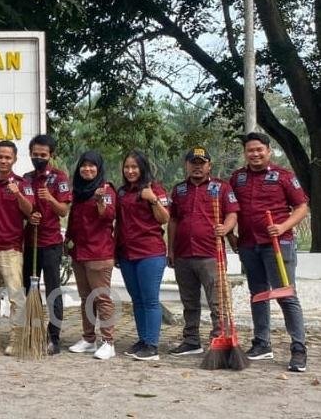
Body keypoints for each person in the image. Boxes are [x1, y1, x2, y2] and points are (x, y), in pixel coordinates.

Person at [230, 132, 308, 372]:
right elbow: (230, 207)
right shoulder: (237, 178)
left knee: (286, 295)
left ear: (268, 151)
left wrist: (283, 226)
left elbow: (302, 207)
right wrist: (231, 235)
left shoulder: (283, 176)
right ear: (245, 154)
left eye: (259, 150)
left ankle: (298, 348)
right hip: (249, 245)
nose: (254, 154)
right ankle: (262, 343)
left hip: (278, 245)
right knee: (258, 294)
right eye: (250, 151)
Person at [167, 146, 237, 357]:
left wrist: (225, 228)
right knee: (189, 302)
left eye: (201, 163)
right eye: (193, 163)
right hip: (183, 254)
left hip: (211, 254)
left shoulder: (222, 188)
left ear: (209, 165)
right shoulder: (178, 190)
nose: (197, 167)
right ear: (187, 165)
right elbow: (173, 220)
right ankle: (191, 341)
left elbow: (232, 213)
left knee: (217, 302)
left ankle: (219, 340)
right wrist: (170, 250)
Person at [115, 150, 170, 361]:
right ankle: (142, 339)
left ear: (142, 168)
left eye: (134, 167)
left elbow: (164, 218)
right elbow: (119, 224)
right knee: (137, 300)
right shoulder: (121, 192)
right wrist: (116, 253)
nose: (130, 171)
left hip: (150, 253)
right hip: (127, 254)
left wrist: (153, 200)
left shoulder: (154, 189)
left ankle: (152, 345)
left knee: (150, 300)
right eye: (127, 167)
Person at [0, 141, 33, 356]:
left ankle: (16, 339)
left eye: (8, 157)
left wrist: (18, 193)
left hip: (11, 249)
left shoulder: (23, 183)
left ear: (15, 159)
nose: (3, 161)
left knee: (15, 297)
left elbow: (30, 211)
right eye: (0, 157)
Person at [21, 134, 72, 355]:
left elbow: (63, 211)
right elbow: (23, 208)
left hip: (51, 243)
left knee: (53, 290)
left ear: (51, 155)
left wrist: (51, 199)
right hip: (30, 242)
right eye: (35, 154)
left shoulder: (59, 178)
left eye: (43, 155)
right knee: (29, 289)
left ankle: (54, 337)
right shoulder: (26, 178)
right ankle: (34, 332)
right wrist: (29, 216)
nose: (39, 158)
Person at [65, 150, 117, 360]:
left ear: (99, 168)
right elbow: (73, 219)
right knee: (86, 298)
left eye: (92, 165)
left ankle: (108, 342)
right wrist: (67, 240)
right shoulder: (78, 191)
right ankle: (88, 339)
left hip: (99, 252)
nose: (87, 169)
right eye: (83, 165)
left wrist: (100, 201)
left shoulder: (105, 189)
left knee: (102, 298)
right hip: (79, 252)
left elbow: (109, 216)